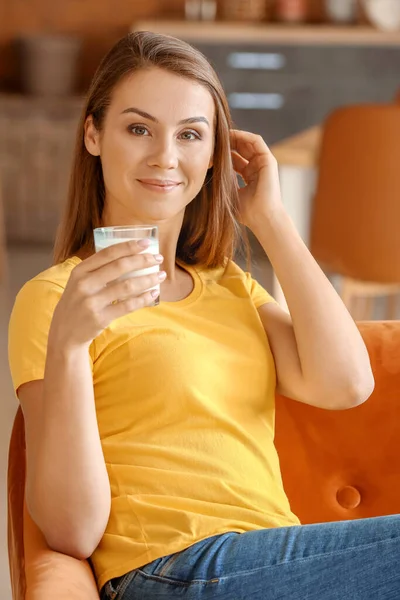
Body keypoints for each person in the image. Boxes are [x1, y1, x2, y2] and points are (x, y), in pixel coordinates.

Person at [8, 31, 399, 600]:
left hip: (267, 566)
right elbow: (71, 531)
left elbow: (347, 383)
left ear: (214, 154)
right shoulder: (57, 298)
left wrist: (270, 221)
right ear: (93, 134)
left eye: (190, 134)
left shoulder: (231, 286)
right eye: (138, 128)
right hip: (171, 572)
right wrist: (69, 345)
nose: (165, 156)